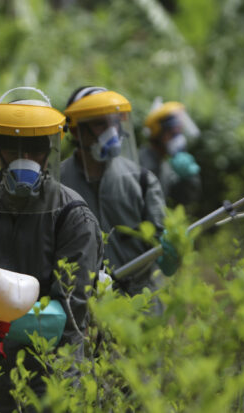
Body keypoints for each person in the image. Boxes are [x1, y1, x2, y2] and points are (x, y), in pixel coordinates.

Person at [0, 87, 103, 411]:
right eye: (11, 146)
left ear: (48, 150)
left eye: (34, 147)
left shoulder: (73, 215)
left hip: (52, 374)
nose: (23, 156)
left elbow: (71, 310)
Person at [60, 86, 179, 302]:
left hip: (139, 305)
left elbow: (160, 241)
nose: (111, 131)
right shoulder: (57, 184)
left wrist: (172, 249)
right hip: (80, 307)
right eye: (100, 124)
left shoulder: (141, 180)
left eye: (114, 122)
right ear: (76, 131)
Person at [140, 99, 202, 209]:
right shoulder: (142, 162)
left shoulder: (166, 164)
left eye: (179, 132)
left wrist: (189, 177)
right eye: (173, 133)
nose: (178, 138)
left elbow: (184, 200)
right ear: (157, 133)